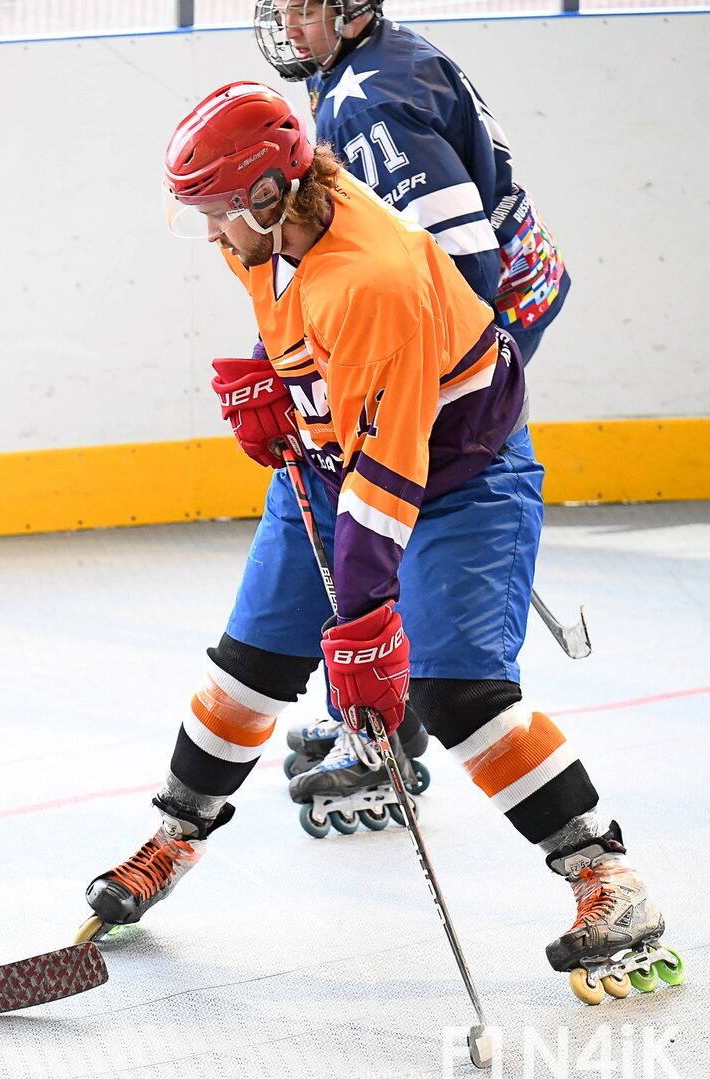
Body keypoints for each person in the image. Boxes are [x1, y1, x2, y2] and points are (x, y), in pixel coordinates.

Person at [83, 82, 677, 1002]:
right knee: (247, 669)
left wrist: (364, 627)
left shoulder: (374, 280)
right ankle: (174, 837)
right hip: (334, 464)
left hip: (462, 478)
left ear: (267, 199)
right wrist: (275, 384)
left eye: (212, 213)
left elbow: (388, 480)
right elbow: (294, 327)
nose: (206, 234)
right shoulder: (270, 227)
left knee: (458, 692)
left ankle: (606, 875)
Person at [253, 0, 573, 802]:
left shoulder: (374, 101)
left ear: (352, 7)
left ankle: (381, 727)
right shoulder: (359, 71)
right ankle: (388, 713)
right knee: (377, 495)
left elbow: (458, 260)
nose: (288, 24)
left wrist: (418, 399)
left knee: (377, 496)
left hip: (486, 312)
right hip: (509, 290)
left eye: (305, 8)